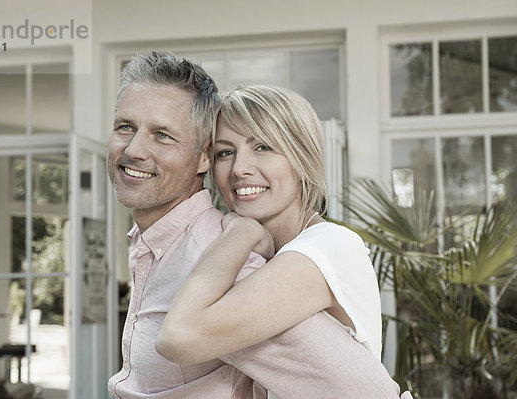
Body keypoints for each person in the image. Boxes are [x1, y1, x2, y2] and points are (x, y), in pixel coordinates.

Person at [107, 51, 409, 399]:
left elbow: (181, 334)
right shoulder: (264, 254)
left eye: (263, 147)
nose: (239, 169)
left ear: (301, 157)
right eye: (225, 152)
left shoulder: (324, 248)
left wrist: (240, 233)